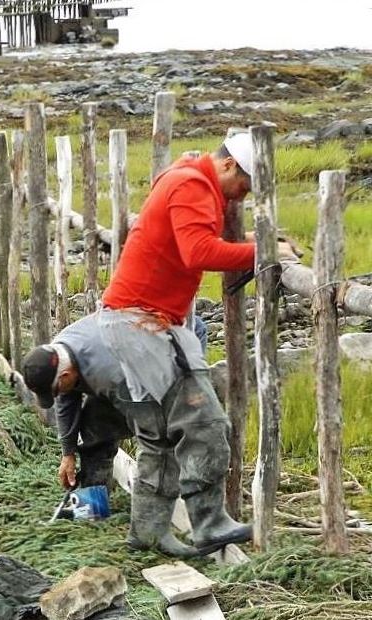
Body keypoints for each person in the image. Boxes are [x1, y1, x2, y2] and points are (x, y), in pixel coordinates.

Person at [96, 131, 298, 556]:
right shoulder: (191, 185)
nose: (242, 198)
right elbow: (198, 251)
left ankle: (148, 533)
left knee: (158, 434)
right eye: (243, 185)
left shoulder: (183, 176)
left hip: (132, 319)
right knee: (205, 424)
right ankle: (208, 522)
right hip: (142, 323)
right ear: (227, 165)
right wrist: (262, 249)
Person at [22, 314, 199, 558]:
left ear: (65, 377)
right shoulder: (60, 354)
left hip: (173, 348)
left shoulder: (110, 373)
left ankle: (154, 529)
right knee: (95, 426)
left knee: (160, 445)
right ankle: (94, 505)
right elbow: (66, 403)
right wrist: (68, 453)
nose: (58, 394)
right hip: (127, 354)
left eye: (56, 390)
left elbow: (150, 434)